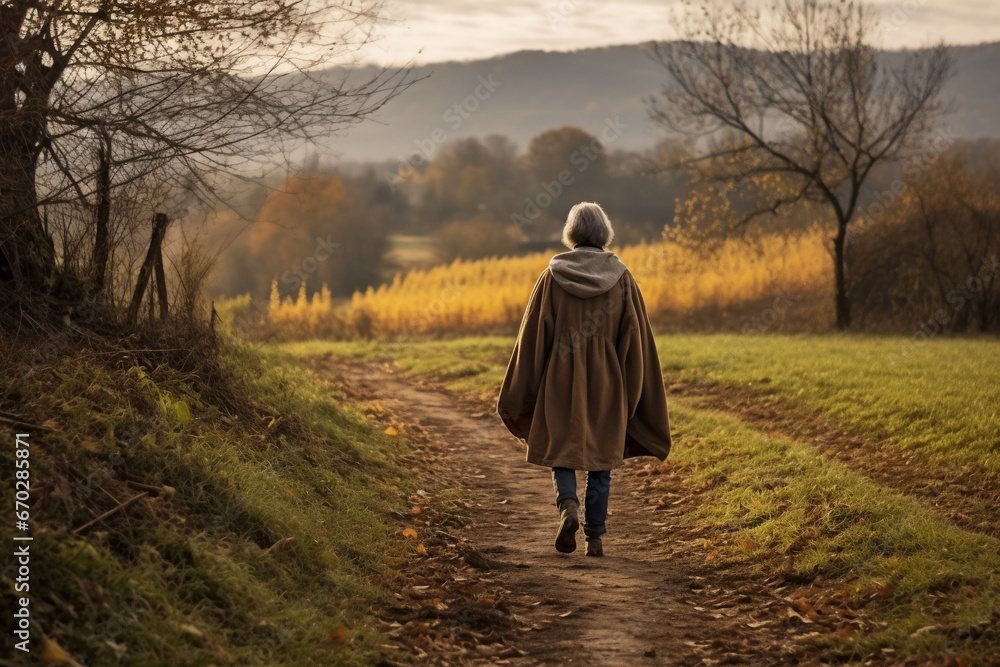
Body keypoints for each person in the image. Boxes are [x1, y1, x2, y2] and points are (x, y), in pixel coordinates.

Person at [497, 202, 672, 557]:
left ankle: (567, 508)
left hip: (559, 379)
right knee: (601, 458)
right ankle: (595, 536)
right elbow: (635, 343)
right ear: (604, 233)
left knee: (562, 451)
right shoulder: (622, 279)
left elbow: (533, 337)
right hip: (608, 382)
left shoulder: (551, 277)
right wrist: (632, 397)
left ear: (572, 234)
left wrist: (523, 388)